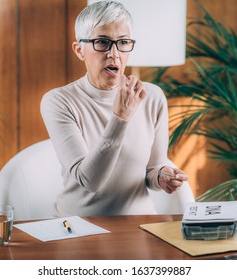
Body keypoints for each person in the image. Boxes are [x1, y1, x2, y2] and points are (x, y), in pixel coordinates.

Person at [40, 0, 188, 217]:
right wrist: (120, 118)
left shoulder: (152, 96)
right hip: (78, 226)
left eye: (123, 42)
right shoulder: (58, 101)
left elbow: (151, 170)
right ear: (79, 50)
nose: (114, 53)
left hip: (138, 223)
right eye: (102, 42)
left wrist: (162, 176)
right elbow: (90, 181)